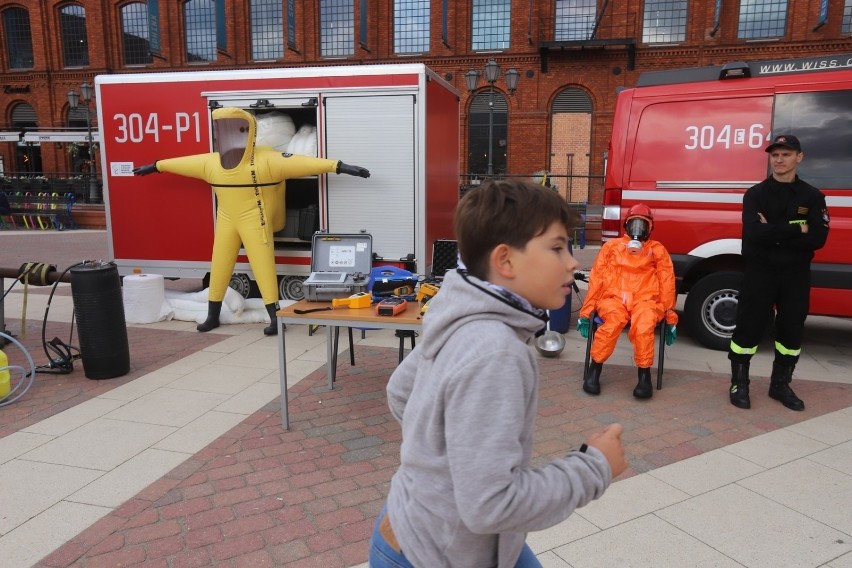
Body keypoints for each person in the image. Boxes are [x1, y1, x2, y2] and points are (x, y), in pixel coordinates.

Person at [369, 179, 627, 568]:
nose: (573, 262)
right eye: (557, 248)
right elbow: (491, 505)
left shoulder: (455, 309)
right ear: (505, 261)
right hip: (433, 555)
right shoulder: (496, 351)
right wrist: (596, 466)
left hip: (415, 526)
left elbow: (402, 392)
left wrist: (446, 457)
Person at [133, 107, 369, 335]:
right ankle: (213, 315)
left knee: (264, 268)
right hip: (227, 221)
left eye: (235, 130)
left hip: (254, 221)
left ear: (249, 132)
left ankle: (276, 319)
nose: (226, 136)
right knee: (219, 268)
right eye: (222, 130)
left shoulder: (267, 160)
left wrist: (341, 167)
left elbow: (306, 163)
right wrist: (156, 166)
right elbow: (181, 163)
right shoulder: (212, 162)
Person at [728, 134, 830, 411]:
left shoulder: (812, 196)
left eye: (786, 154)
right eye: (775, 155)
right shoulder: (756, 194)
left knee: (791, 330)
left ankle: (780, 385)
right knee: (749, 327)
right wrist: (797, 227)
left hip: (795, 275)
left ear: (799, 157)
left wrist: (772, 229)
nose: (780, 159)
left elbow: (818, 239)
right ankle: (740, 383)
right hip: (760, 272)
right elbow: (754, 233)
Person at [577, 203, 677, 399]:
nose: (637, 231)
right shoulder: (612, 247)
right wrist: (586, 313)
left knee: (644, 325)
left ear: (650, 228)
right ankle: (594, 369)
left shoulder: (657, 250)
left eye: (643, 225)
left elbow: (667, 283)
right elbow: (597, 280)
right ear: (626, 226)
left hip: (646, 300)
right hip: (613, 299)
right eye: (633, 225)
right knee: (612, 323)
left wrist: (670, 316)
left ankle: (644, 375)